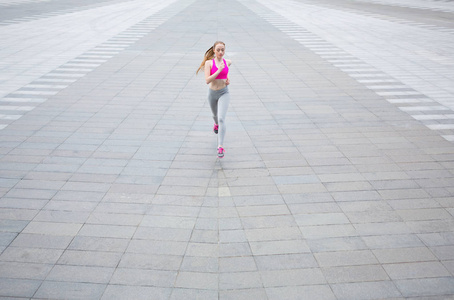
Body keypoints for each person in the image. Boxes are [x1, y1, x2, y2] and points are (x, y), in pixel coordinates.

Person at [197, 41, 232, 158]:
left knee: (222, 118)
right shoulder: (209, 63)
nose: (221, 52)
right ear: (214, 50)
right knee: (215, 116)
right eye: (218, 50)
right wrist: (218, 70)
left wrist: (227, 78)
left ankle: (220, 146)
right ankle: (215, 124)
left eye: (223, 50)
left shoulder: (227, 62)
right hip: (212, 93)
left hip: (224, 93)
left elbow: (226, 71)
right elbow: (207, 80)